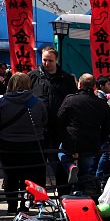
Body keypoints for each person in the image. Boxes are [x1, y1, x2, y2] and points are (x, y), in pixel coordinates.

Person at [0, 72, 47, 213]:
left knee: (10, 176)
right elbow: (44, 121)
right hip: (32, 145)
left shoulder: (2, 102)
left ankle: (11, 206)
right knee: (28, 177)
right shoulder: (37, 102)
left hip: (7, 145)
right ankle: (25, 206)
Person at [29, 47, 77, 185]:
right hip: (38, 127)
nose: (46, 63)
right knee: (38, 164)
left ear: (56, 60)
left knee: (59, 163)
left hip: (59, 127)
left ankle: (63, 194)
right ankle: (38, 196)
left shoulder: (66, 78)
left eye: (50, 60)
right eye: (44, 60)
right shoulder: (33, 76)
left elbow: (72, 101)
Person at [57, 74, 110, 194]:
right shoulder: (102, 104)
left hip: (71, 140)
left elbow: (59, 120)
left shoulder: (70, 99)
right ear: (95, 87)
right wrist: (99, 142)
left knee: (61, 152)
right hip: (91, 143)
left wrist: (65, 138)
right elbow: (107, 128)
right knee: (84, 172)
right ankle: (80, 194)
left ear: (79, 84)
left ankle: (70, 166)